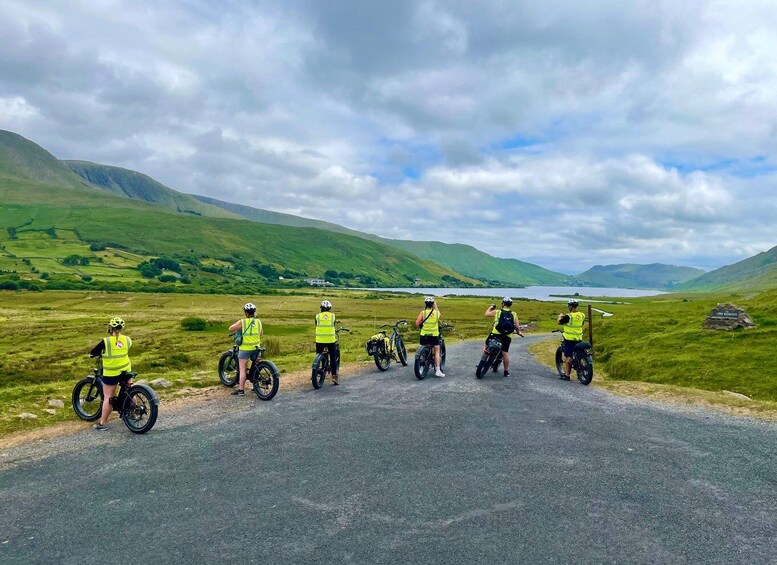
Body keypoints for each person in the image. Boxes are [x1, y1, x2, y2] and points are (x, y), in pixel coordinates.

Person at [89, 317, 133, 430]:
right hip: (126, 370)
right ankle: (131, 413)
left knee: (108, 397)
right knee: (130, 391)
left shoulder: (106, 341)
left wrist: (92, 355)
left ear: (110, 328)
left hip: (112, 373)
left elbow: (93, 352)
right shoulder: (127, 339)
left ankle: (102, 423)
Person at [228, 302, 263, 396]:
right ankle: (256, 387)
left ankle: (241, 390)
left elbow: (230, 328)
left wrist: (238, 328)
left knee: (242, 369)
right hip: (257, 348)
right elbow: (261, 334)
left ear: (246, 312)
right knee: (256, 366)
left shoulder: (243, 322)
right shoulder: (258, 322)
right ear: (254, 312)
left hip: (245, 349)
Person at [484, 297, 523, 377]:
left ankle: (484, 358)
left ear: (503, 304)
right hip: (507, 336)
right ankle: (506, 371)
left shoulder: (498, 312)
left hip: (496, 333)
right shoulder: (514, 314)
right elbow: (517, 327)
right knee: (505, 353)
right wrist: (518, 333)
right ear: (510, 305)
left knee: (486, 343)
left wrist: (491, 307)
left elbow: (486, 314)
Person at [557, 299, 586, 380]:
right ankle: (581, 368)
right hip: (579, 338)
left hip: (569, 339)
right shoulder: (582, 315)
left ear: (570, 306)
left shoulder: (568, 316)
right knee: (578, 354)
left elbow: (559, 322)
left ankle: (566, 375)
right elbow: (581, 324)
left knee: (568, 357)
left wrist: (559, 316)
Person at [416, 296, 445, 377]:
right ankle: (438, 370)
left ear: (425, 304)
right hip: (434, 335)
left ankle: (421, 367)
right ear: (433, 304)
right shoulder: (437, 313)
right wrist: (435, 306)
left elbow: (417, 323)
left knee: (423, 351)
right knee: (436, 351)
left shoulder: (423, 313)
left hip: (424, 334)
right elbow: (440, 316)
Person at [315, 300, 339, 385]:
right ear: (329, 308)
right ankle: (334, 376)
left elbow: (316, 325)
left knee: (318, 355)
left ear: (321, 308)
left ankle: (317, 372)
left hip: (319, 340)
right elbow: (333, 324)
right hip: (330, 340)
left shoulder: (317, 316)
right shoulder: (333, 316)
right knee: (333, 358)